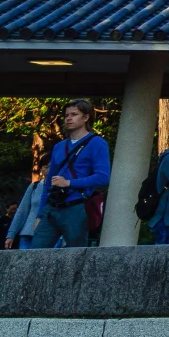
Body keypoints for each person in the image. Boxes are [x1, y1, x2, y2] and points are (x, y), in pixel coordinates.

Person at [35, 100, 111, 248]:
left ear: (86, 117)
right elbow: (48, 183)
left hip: (76, 206)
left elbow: (103, 177)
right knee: (34, 252)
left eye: (74, 114)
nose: (69, 118)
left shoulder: (97, 143)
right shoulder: (59, 147)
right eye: (66, 115)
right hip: (52, 207)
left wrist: (69, 183)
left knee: (76, 255)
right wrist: (40, 214)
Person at [5, 158, 48, 250]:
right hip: (28, 234)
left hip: (50, 235)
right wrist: (11, 234)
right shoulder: (34, 187)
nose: (49, 170)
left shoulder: (61, 187)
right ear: (41, 169)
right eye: (46, 167)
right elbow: (22, 210)